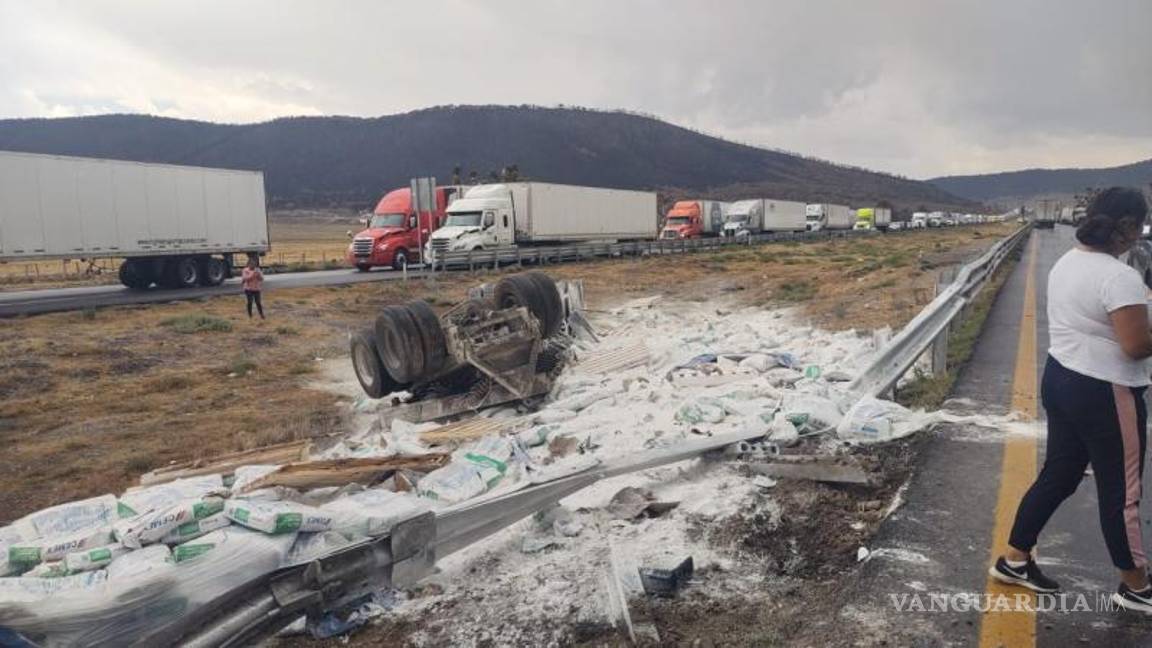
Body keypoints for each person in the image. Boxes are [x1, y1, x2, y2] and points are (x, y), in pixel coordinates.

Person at [990, 187, 1152, 613]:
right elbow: (1136, 345)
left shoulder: (1068, 262)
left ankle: (1015, 560)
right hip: (1107, 391)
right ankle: (1135, 586)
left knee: (1059, 475)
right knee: (1122, 493)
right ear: (1131, 228)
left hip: (1062, 378)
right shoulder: (1120, 277)